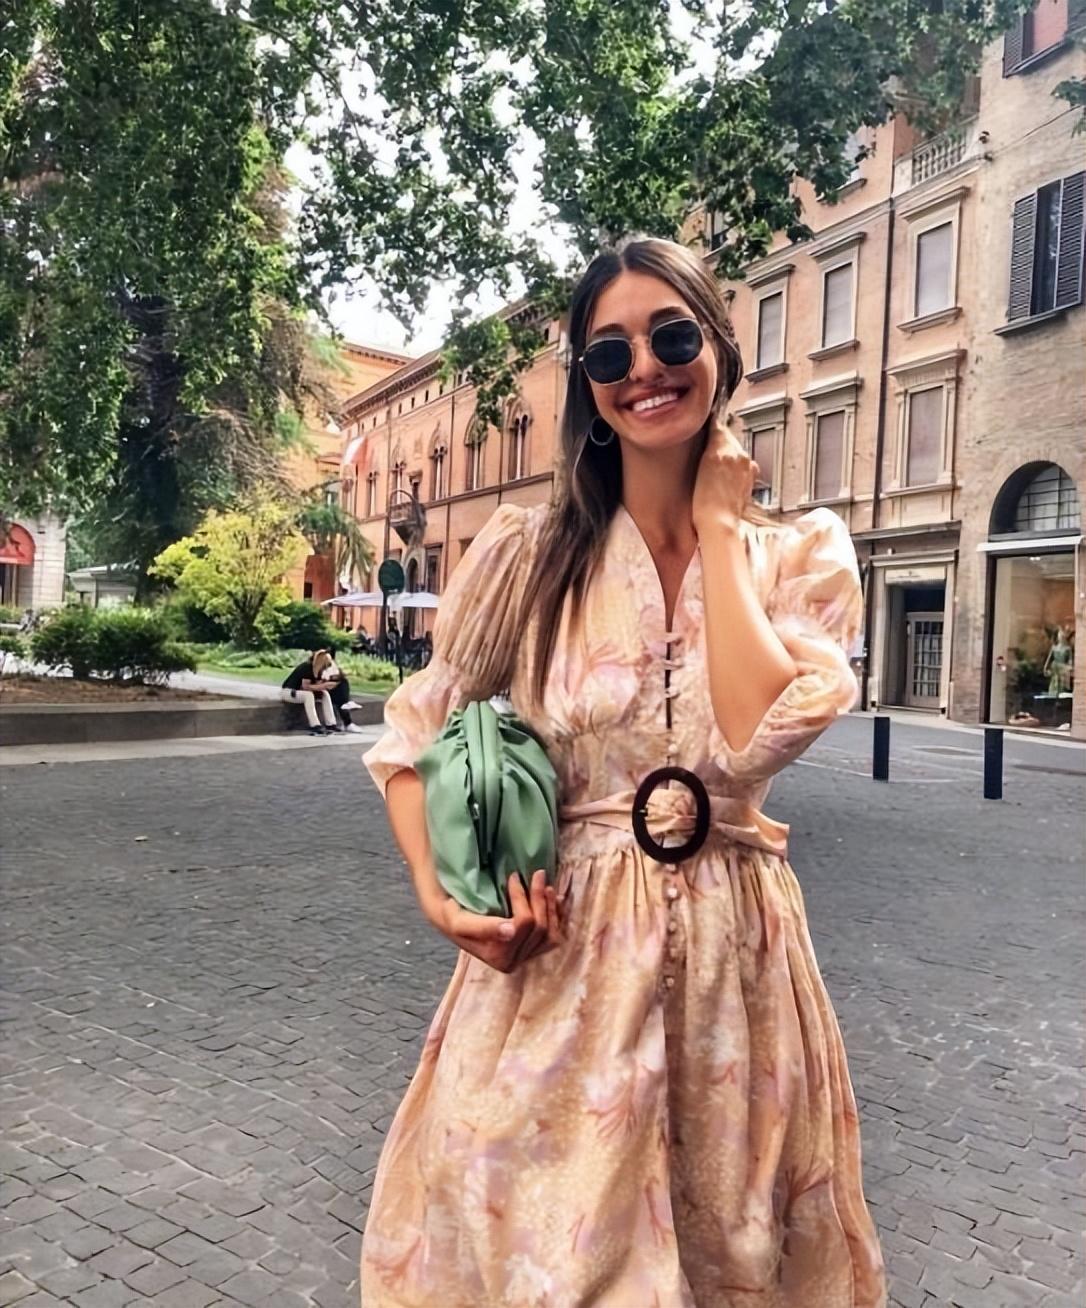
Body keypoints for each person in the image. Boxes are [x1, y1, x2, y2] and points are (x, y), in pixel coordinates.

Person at [361, 237, 887, 1307]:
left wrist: (720, 529)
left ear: (721, 353)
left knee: (734, 1257)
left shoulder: (799, 557)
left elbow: (755, 731)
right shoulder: (530, 555)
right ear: (589, 389)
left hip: (737, 973)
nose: (644, 368)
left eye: (672, 337)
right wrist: (439, 899)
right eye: (609, 353)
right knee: (549, 1261)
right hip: (562, 970)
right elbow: (413, 734)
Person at [280, 648, 339, 736]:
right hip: (289, 692)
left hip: (300, 693)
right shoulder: (307, 668)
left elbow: (315, 685)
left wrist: (325, 685)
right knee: (309, 695)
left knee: (325, 694)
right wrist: (323, 686)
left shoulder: (319, 671)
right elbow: (305, 687)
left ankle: (331, 723)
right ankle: (315, 725)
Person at [323, 656, 366, 734]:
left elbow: (337, 675)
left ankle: (347, 704)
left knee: (343, 682)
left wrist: (336, 676)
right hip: (320, 691)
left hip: (329, 689)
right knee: (340, 700)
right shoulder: (314, 668)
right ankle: (348, 723)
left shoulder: (330, 665)